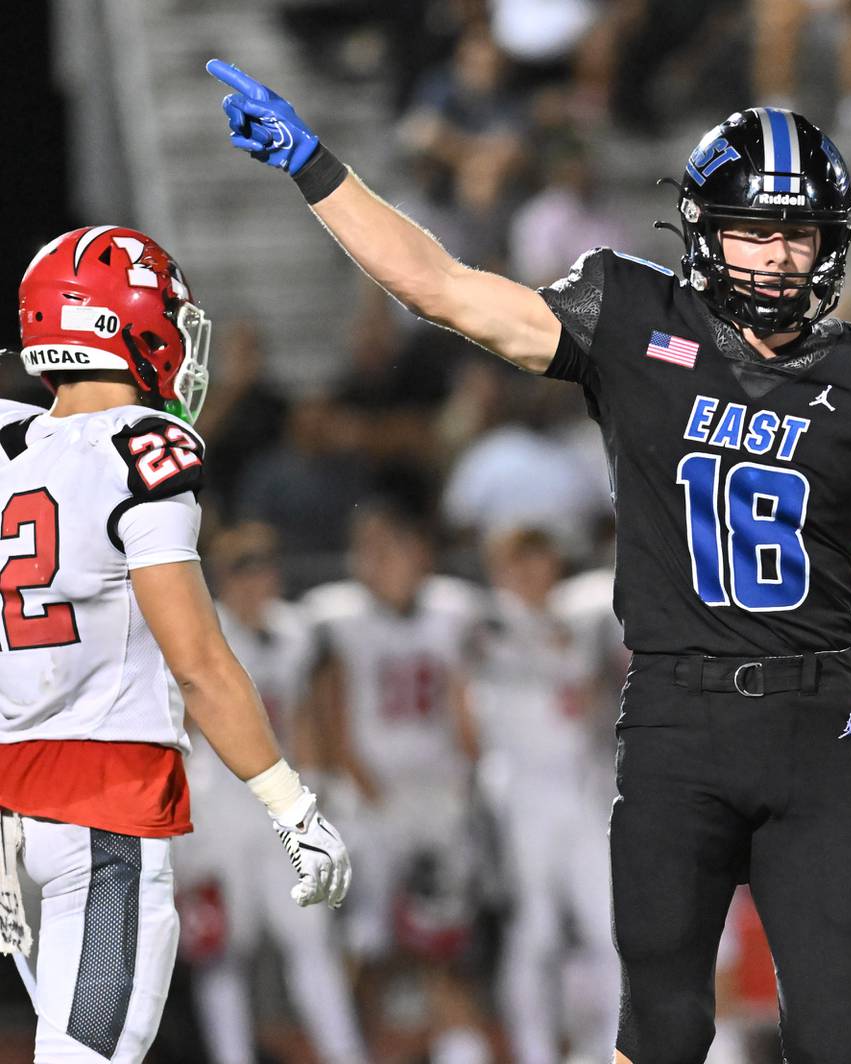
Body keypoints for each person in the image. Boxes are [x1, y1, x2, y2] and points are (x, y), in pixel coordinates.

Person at [207, 62, 851, 1064]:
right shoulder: (634, 320)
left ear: (833, 242)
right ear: (702, 233)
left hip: (821, 730)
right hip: (676, 720)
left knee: (837, 1035)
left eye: (797, 233)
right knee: (662, 1026)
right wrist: (317, 167)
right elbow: (444, 288)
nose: (777, 258)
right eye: (753, 230)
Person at [0, 225, 349, 1063]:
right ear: (129, 323)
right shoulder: (145, 450)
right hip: (102, 808)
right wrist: (292, 808)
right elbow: (199, 664)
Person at [301, 500, 486, 1059]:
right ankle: (359, 1049)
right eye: (369, 551)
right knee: (370, 938)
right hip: (372, 799)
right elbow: (325, 714)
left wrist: (465, 783)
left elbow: (465, 706)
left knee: (441, 932)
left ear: (419, 555)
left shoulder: (453, 610)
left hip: (438, 796)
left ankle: (455, 1043)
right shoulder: (338, 618)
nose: (376, 562)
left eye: (389, 550)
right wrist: (359, 788)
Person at [177, 523, 368, 1064]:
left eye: (262, 568)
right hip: (220, 808)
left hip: (281, 804)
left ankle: (344, 1053)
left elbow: (305, 715)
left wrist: (320, 786)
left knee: (310, 942)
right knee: (221, 951)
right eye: (243, 571)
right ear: (222, 578)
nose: (255, 582)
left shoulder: (294, 629)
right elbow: (185, 722)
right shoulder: (201, 628)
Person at [472, 527, 618, 1064]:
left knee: (610, 927)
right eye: (520, 563)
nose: (533, 574)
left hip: (582, 787)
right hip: (519, 791)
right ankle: (533, 1052)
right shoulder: (485, 622)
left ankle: (612, 1050)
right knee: (534, 931)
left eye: (541, 561)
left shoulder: (581, 614)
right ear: (500, 570)